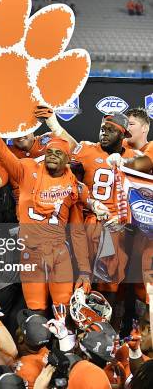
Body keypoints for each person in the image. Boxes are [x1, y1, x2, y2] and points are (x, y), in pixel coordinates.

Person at [0, 92, 106, 312]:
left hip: (59, 252)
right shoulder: (27, 169)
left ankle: (62, 345)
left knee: (62, 309)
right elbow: (3, 153)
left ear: (68, 160)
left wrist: (84, 271)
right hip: (30, 250)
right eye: (50, 152)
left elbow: (77, 232)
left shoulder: (73, 186)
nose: (53, 155)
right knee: (35, 309)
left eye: (59, 153)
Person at [70, 113, 140, 312]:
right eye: (102, 128)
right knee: (82, 276)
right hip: (88, 222)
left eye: (110, 130)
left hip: (117, 227)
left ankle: (107, 329)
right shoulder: (86, 150)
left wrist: (125, 216)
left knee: (110, 279)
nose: (104, 133)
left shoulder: (134, 159)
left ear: (123, 134)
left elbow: (142, 195)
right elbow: (67, 177)